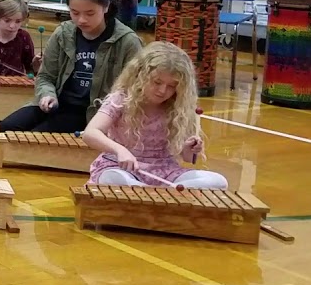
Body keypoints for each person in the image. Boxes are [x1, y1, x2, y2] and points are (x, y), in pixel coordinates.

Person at [0, 0, 143, 134]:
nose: (81, 20)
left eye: (90, 13)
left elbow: (134, 90)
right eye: (74, 13)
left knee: (35, 137)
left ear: (106, 7)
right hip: (59, 102)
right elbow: (46, 76)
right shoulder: (63, 33)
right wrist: (47, 95)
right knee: (8, 127)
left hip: (93, 113)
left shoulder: (128, 41)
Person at [82, 42, 227, 189]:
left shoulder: (178, 108)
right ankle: (153, 192)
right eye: (157, 82)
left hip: (165, 172)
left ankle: (154, 192)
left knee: (219, 181)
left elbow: (188, 158)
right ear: (140, 75)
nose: (163, 91)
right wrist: (120, 150)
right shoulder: (121, 99)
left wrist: (189, 150)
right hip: (122, 168)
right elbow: (90, 133)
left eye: (172, 86)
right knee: (112, 178)